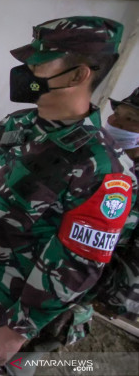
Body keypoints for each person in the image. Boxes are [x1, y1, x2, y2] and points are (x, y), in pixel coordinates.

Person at [0, 16, 137, 375]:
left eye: (39, 63)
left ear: (78, 75)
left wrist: (18, 331)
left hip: (0, 308)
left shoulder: (102, 168)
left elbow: (78, 262)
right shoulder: (17, 125)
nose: (27, 71)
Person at [92, 87, 139, 320]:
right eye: (117, 113)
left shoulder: (131, 177)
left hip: (105, 285)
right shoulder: (105, 158)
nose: (116, 122)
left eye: (130, 119)